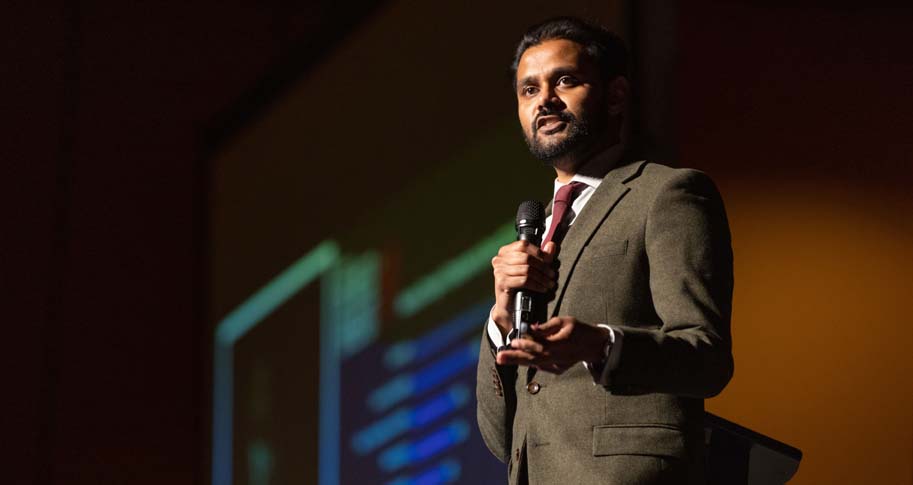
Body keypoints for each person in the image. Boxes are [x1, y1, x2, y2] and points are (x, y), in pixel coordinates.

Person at [476, 17, 734, 484]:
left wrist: (601, 344)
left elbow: (707, 359)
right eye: (528, 90)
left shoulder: (667, 193)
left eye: (566, 81)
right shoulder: (536, 231)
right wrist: (500, 320)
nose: (545, 100)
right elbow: (502, 438)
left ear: (615, 95)